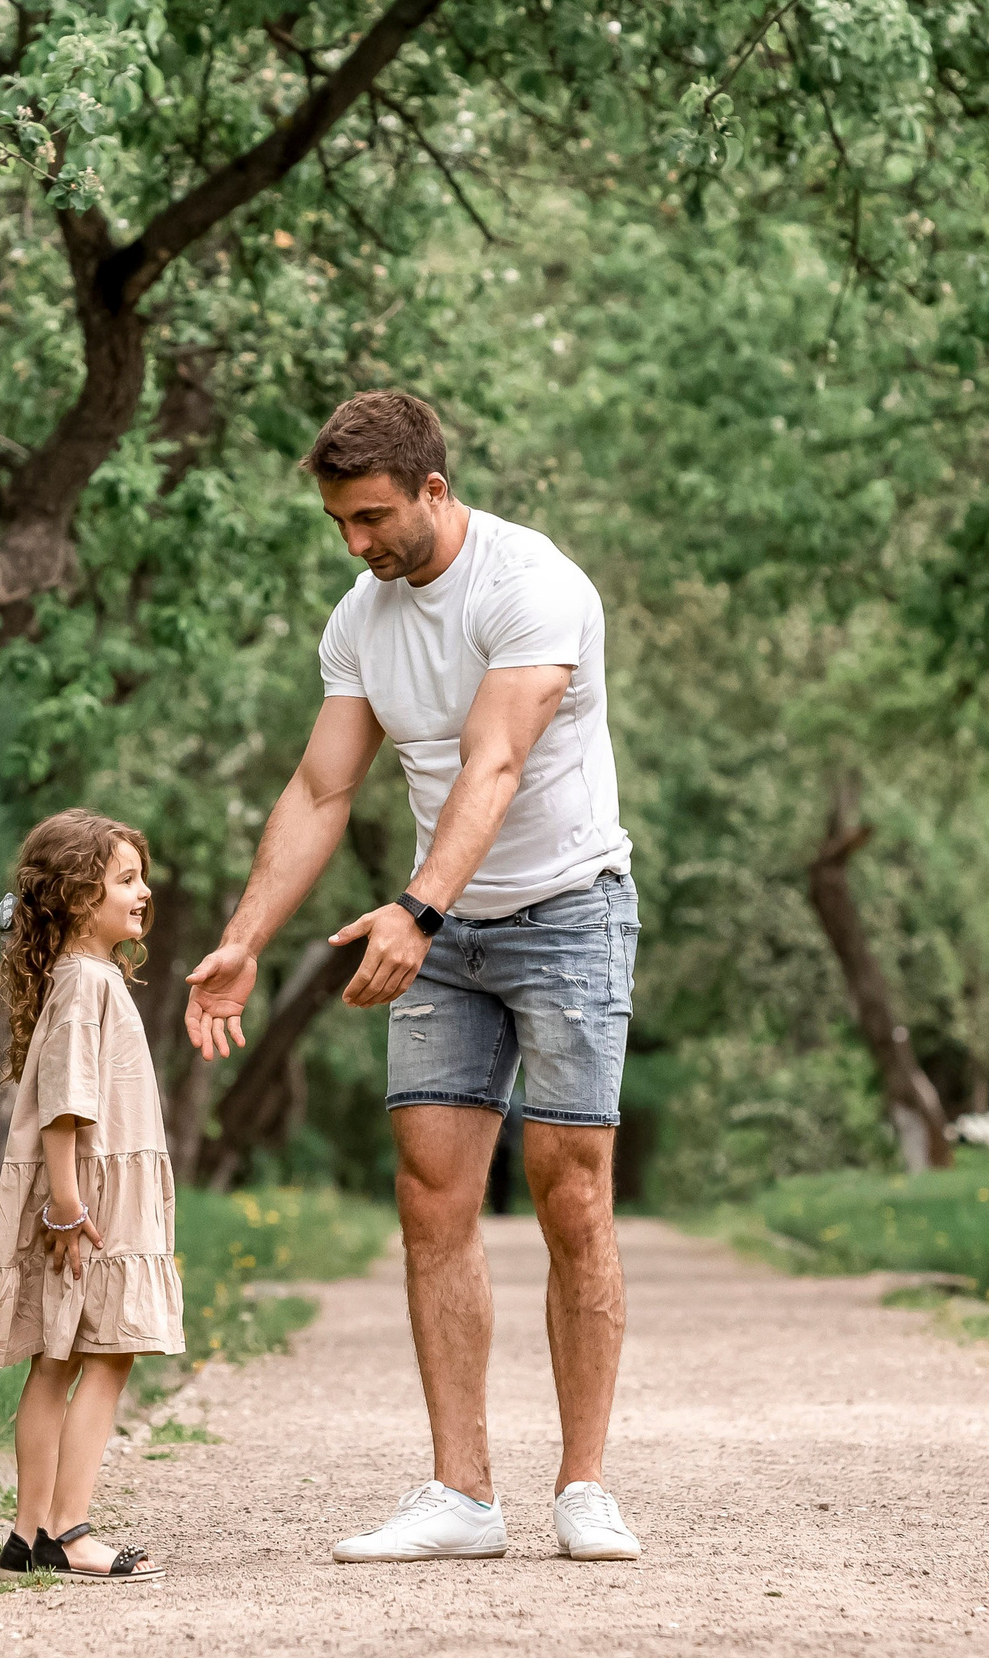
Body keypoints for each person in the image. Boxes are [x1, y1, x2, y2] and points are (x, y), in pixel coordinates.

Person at [184, 390, 643, 1564]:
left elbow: (494, 762)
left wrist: (416, 910)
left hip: (564, 914)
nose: (357, 543)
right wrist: (245, 934)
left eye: (373, 516)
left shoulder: (533, 586)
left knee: (568, 1191)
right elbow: (322, 789)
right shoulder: (361, 618)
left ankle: (584, 1486)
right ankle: (462, 1495)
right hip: (440, 928)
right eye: (339, 521)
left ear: (435, 489)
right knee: (430, 1197)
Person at [0, 810, 181, 1583]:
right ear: (81, 897)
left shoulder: (87, 977)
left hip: (88, 1190)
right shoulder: (86, 984)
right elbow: (66, 1104)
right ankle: (69, 1529)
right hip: (89, 1198)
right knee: (107, 1356)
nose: (143, 891)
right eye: (125, 878)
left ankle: (27, 1534)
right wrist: (69, 1207)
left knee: (58, 1359)